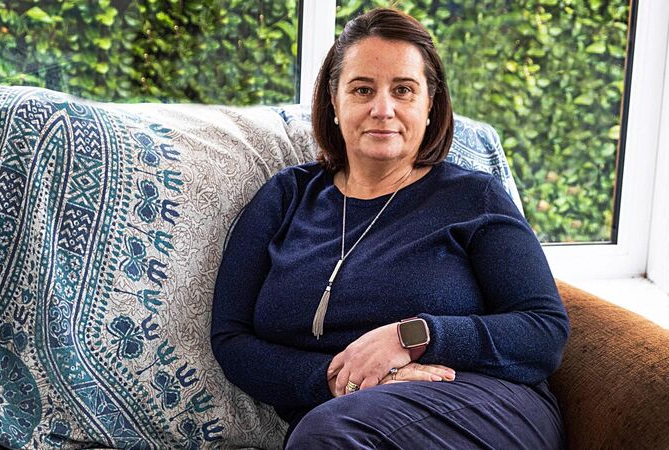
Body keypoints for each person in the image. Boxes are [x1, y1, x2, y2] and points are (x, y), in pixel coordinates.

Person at [211, 7, 569, 449]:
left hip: (479, 401)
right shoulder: (287, 197)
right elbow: (231, 338)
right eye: (362, 90)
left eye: (403, 90)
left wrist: (413, 337)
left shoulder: (474, 198)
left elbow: (544, 331)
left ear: (430, 103)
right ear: (334, 101)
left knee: (327, 436)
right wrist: (337, 378)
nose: (383, 109)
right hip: (339, 415)